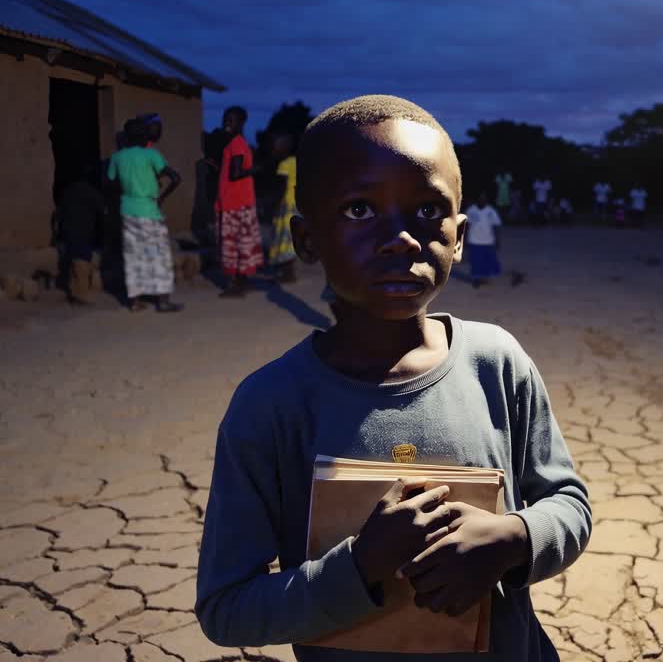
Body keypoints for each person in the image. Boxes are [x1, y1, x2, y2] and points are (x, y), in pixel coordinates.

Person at [196, 95, 591, 661]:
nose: (403, 237)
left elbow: (568, 503)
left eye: (428, 210)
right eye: (359, 210)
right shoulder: (270, 406)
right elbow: (226, 607)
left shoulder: (497, 363)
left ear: (458, 234)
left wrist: (513, 539)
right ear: (307, 239)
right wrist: (358, 569)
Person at [107, 117, 184, 312]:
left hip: (127, 211)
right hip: (149, 211)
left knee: (133, 255)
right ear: (144, 135)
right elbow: (175, 178)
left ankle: (134, 301)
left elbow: (109, 183)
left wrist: (128, 187)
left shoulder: (117, 157)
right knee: (159, 256)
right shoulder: (151, 155)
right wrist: (161, 197)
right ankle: (163, 301)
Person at [217, 106, 265, 297]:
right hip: (242, 201)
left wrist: (254, 170)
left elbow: (235, 173)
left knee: (232, 244)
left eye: (232, 120)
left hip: (233, 203)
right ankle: (243, 280)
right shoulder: (241, 143)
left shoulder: (235, 144)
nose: (227, 123)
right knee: (244, 242)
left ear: (242, 122)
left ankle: (234, 284)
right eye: (225, 119)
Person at [54, 164, 105, 305]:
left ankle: (75, 292)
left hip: (68, 233)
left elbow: (58, 215)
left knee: (74, 262)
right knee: (82, 262)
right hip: (83, 233)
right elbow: (103, 212)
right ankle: (80, 296)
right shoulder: (91, 192)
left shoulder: (67, 191)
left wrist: (57, 235)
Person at [268, 132, 299, 283]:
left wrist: (273, 206)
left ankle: (287, 273)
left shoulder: (284, 165)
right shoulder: (297, 161)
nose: (273, 150)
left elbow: (281, 188)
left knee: (282, 238)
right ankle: (289, 272)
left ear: (284, 148)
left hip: (286, 205)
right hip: (297, 205)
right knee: (290, 239)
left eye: (275, 147)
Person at [465, 191, 503, 287]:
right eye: (480, 198)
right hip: (474, 240)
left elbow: (496, 225)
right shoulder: (471, 210)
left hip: (488, 240)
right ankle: (476, 279)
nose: (482, 200)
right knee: (476, 260)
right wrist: (463, 239)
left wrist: (497, 239)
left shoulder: (491, 211)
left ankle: (484, 278)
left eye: (484, 199)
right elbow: (466, 225)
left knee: (487, 260)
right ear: (476, 200)